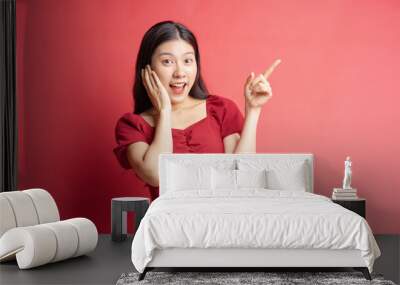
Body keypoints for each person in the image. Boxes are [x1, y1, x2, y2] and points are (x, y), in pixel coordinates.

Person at [114, 21, 280, 200]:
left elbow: (242, 177)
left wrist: (254, 110)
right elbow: (156, 175)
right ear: (147, 68)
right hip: (170, 224)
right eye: (167, 61)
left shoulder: (221, 109)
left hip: (224, 221)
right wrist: (165, 111)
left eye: (187, 60)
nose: (180, 72)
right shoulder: (132, 125)